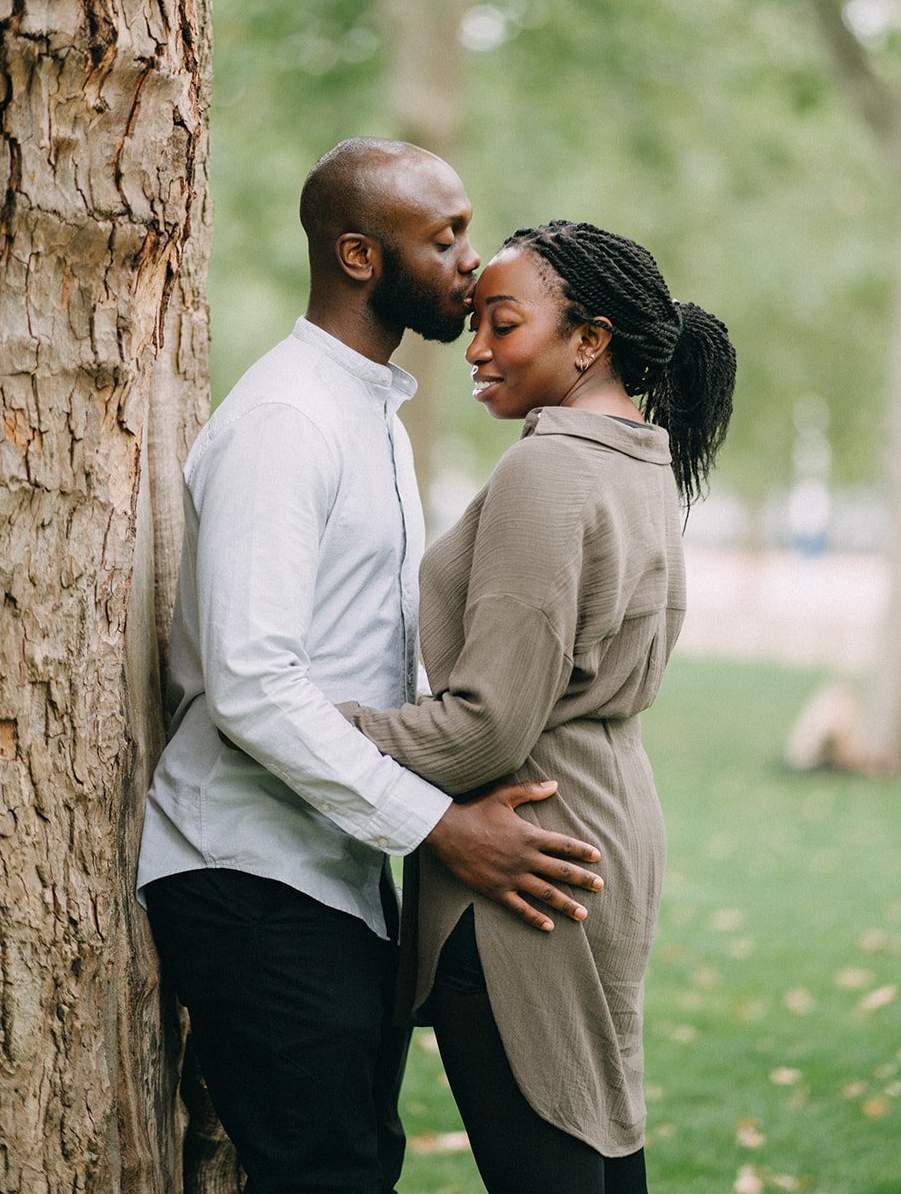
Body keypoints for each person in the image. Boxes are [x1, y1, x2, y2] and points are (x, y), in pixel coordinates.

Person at [136, 145, 605, 1194]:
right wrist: (440, 827)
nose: (469, 262)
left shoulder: (371, 421)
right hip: (248, 871)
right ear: (358, 254)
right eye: (442, 237)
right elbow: (249, 681)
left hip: (336, 876)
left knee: (352, 1165)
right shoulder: (285, 421)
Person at [341, 220, 737, 1194]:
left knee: (551, 1158)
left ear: (588, 338)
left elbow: (484, 727)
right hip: (604, 826)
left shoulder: (548, 468)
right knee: (593, 1138)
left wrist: (308, 725)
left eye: (502, 322)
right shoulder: (641, 457)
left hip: (525, 853)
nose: (474, 347)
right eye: (475, 321)